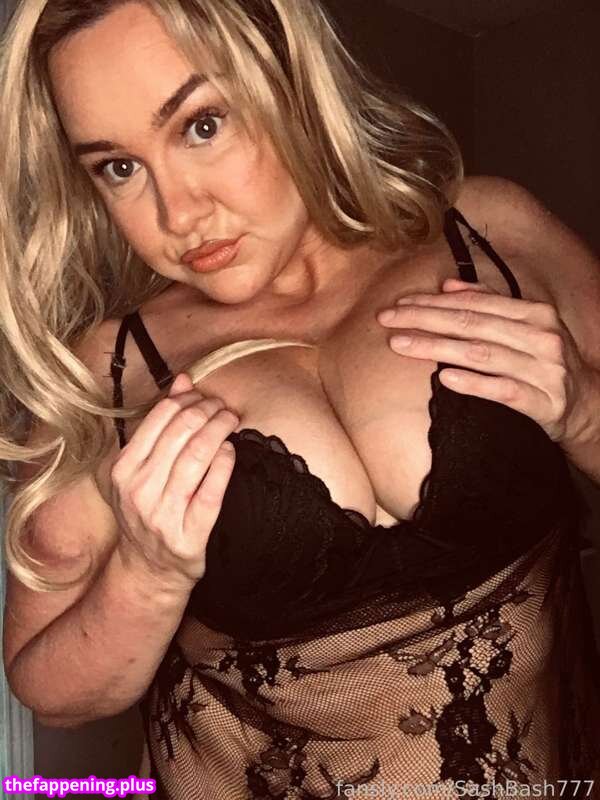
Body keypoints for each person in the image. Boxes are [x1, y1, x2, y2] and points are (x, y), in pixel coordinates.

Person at [2, 0, 600, 797]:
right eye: (118, 167)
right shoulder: (113, 370)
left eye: (202, 125)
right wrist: (146, 578)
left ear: (290, 78)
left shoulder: (490, 234)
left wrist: (584, 410)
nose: (178, 214)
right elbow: (47, 688)